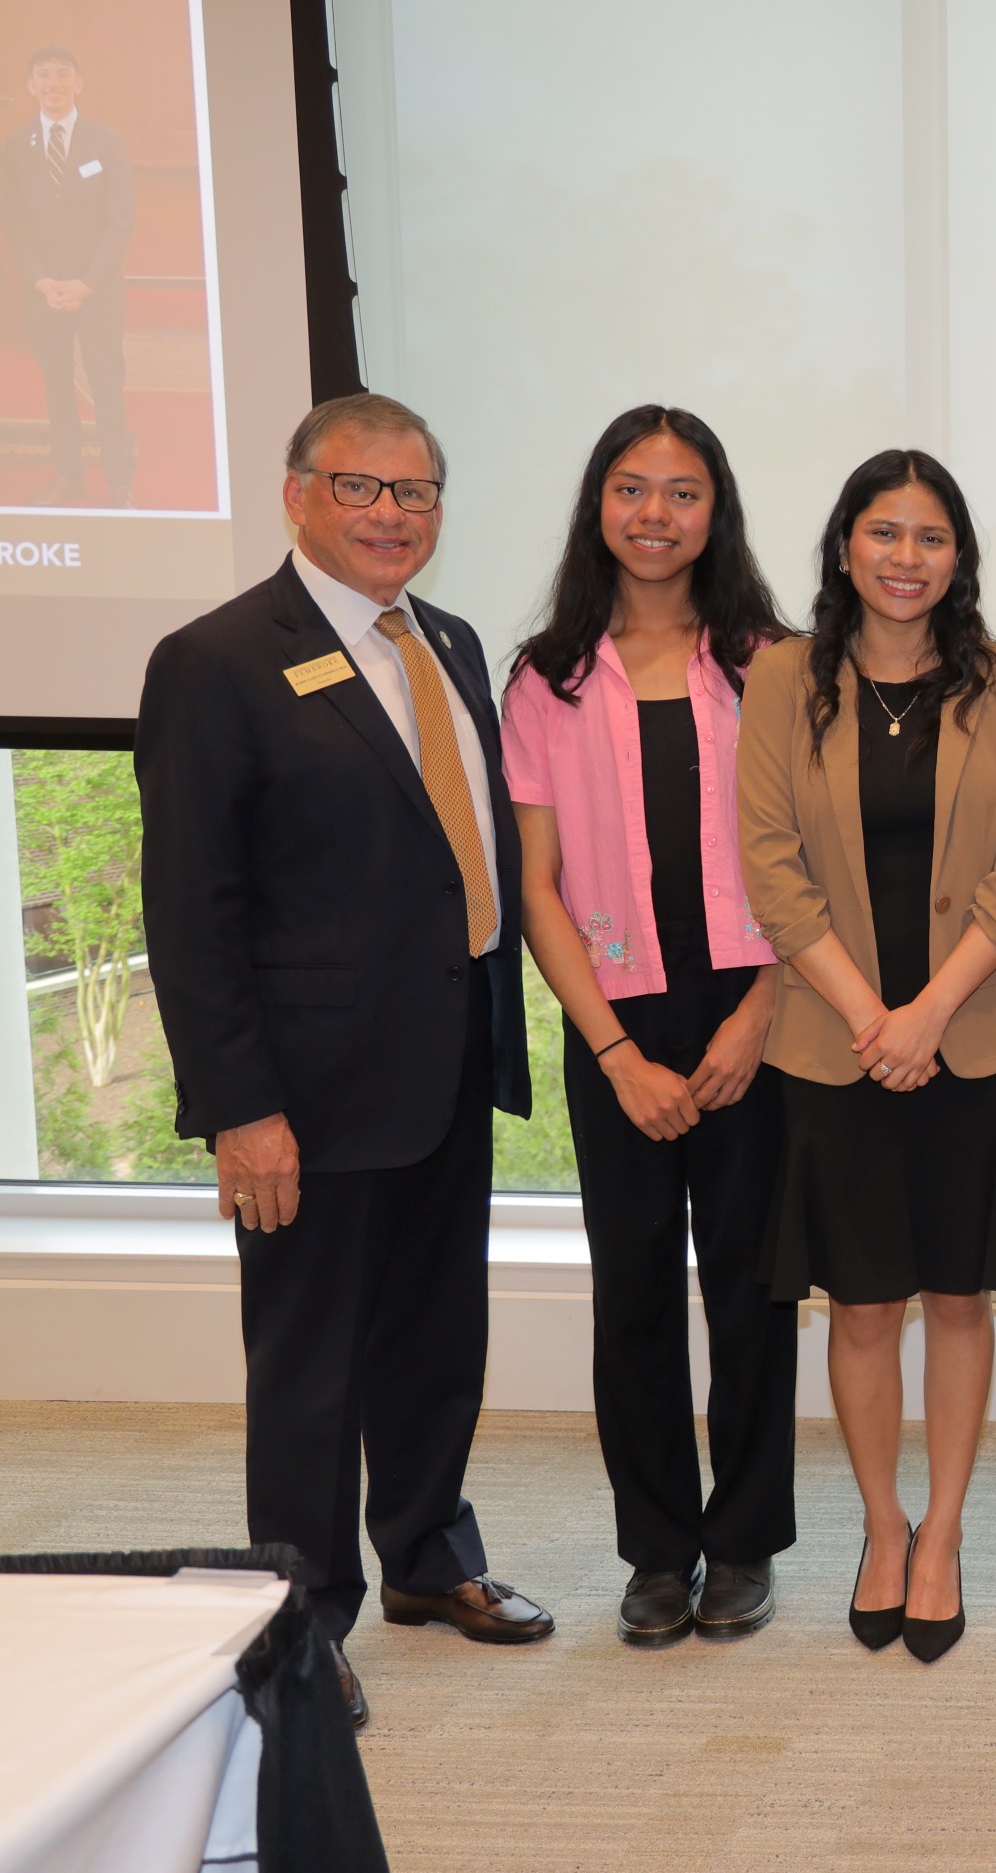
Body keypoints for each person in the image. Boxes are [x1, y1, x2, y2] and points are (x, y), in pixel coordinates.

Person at [137, 392, 549, 1729]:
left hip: (445, 1066)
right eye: (361, 488)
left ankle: (431, 1559)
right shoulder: (215, 660)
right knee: (309, 1373)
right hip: (305, 1098)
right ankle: (301, 1623)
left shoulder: (452, 642)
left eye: (415, 493)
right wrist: (239, 1106)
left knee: (437, 1346)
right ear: (296, 493)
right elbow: (189, 909)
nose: (391, 515)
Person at [736, 449, 996, 1664]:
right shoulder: (784, 678)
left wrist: (928, 1014)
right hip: (833, 1041)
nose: (906, 558)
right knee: (863, 1299)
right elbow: (771, 864)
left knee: (958, 1292)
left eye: (931, 537)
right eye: (885, 532)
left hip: (969, 1038)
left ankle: (947, 1534)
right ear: (843, 545)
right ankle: (882, 1526)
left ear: (959, 557)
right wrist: (874, 1013)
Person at [502, 405, 797, 1647]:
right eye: (633, 489)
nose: (656, 515)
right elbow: (536, 883)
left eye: (683, 492)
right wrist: (617, 1053)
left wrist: (758, 1017)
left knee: (751, 1289)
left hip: (757, 1008)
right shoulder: (547, 672)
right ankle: (656, 1550)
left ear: (716, 509)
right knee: (632, 1291)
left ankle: (741, 1543)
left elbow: (812, 862)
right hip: (614, 1017)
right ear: (597, 505)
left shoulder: (776, 662)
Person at [0, 47, 136, 505]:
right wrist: (40, 280)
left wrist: (87, 282)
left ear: (78, 83)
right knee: (57, 388)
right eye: (43, 76)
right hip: (43, 294)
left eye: (62, 75)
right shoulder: (16, 146)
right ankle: (68, 477)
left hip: (96, 291)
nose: (52, 83)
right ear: (31, 86)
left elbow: (121, 219)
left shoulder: (107, 141)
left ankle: (119, 483)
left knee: (105, 387)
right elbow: (13, 223)